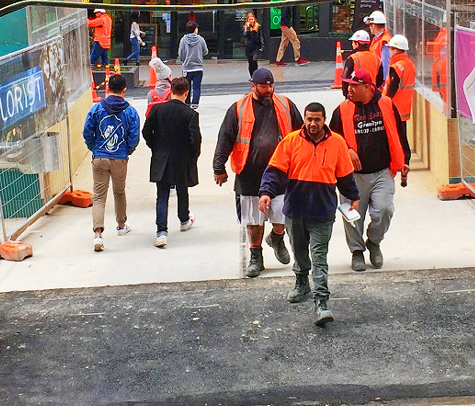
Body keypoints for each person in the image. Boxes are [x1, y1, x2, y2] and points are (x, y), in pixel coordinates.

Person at [259, 101, 359, 328]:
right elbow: (274, 171)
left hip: (323, 213)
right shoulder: (291, 141)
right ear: (304, 119)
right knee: (300, 252)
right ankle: (301, 281)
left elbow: (345, 175)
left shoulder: (337, 143)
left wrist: (353, 196)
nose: (313, 124)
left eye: (317, 119)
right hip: (295, 211)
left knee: (320, 258)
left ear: (324, 120)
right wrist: (266, 193)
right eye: (309, 119)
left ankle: (322, 303)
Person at [213, 66, 300, 278]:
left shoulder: (286, 105)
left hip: (281, 172)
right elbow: (225, 138)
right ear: (253, 86)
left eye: (271, 85)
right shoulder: (238, 109)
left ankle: (277, 238)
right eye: (264, 86)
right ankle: (255, 256)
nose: (269, 90)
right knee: (253, 219)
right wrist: (219, 167)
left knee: (283, 215)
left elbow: (300, 133)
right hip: (249, 173)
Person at [331, 71, 409, 271]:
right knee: (352, 216)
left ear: (367, 87)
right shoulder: (341, 110)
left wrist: (405, 160)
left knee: (384, 210)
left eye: (353, 86)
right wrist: (347, 150)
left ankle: (374, 242)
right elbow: (332, 138)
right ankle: (357, 252)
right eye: (348, 85)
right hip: (352, 176)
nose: (349, 89)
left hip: (382, 171)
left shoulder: (387, 104)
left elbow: (400, 133)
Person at [81, 72, 139, 252]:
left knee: (99, 196)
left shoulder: (97, 109)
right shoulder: (130, 111)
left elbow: (87, 132)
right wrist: (126, 151)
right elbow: (134, 137)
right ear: (124, 90)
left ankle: (98, 235)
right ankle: (121, 225)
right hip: (119, 158)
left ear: (107, 88)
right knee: (119, 192)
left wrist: (95, 148)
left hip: (99, 156)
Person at [143, 77, 200, 249]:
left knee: (162, 196)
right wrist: (193, 155)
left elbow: (146, 131)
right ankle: (184, 219)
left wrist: (155, 146)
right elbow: (195, 139)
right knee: (183, 189)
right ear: (186, 93)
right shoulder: (191, 114)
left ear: (171, 91)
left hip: (162, 157)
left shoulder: (158, 110)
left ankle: (161, 232)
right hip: (181, 158)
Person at [384, 34, 416, 124]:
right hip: (404, 106)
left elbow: (392, 89)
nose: (389, 51)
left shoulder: (396, 67)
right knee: (402, 133)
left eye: (390, 48)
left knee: (396, 135)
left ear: (395, 50)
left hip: (394, 106)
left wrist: (384, 101)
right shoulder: (410, 64)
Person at [177, 20, 208, 108]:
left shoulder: (183, 40)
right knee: (197, 87)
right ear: (195, 29)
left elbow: (181, 53)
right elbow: (205, 51)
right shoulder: (201, 39)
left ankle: (187, 102)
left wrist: (183, 61)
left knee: (186, 86)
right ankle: (195, 103)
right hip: (198, 67)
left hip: (187, 67)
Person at [274, 0, 309, 66]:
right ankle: (298, 59)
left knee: (283, 42)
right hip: (286, 26)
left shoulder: (286, 4)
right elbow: (284, 16)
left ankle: (278, 60)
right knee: (295, 41)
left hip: (283, 25)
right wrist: (288, 25)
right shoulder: (287, 4)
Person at [365, 10, 392, 81]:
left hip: (379, 79)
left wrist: (383, 81)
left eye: (370, 25)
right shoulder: (377, 39)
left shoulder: (384, 41)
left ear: (373, 26)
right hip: (375, 76)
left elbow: (385, 64)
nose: (370, 28)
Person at [242, 12, 264, 79]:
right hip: (249, 47)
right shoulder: (246, 27)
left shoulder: (258, 26)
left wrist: (262, 45)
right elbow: (245, 36)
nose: (251, 21)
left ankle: (255, 75)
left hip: (256, 46)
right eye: (249, 19)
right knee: (250, 62)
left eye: (252, 19)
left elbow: (261, 36)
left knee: (254, 60)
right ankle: (252, 76)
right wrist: (248, 29)